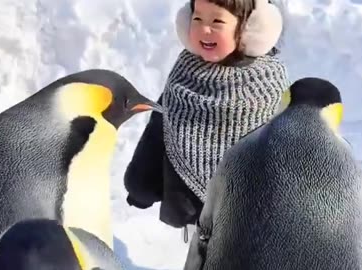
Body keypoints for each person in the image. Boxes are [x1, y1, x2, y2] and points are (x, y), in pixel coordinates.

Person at [124, 0, 290, 240]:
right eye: (197, 19)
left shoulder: (269, 87)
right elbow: (158, 133)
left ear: (250, 28)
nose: (204, 29)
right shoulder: (184, 77)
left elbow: (286, 151)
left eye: (217, 21)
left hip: (249, 216)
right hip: (191, 211)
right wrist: (141, 186)